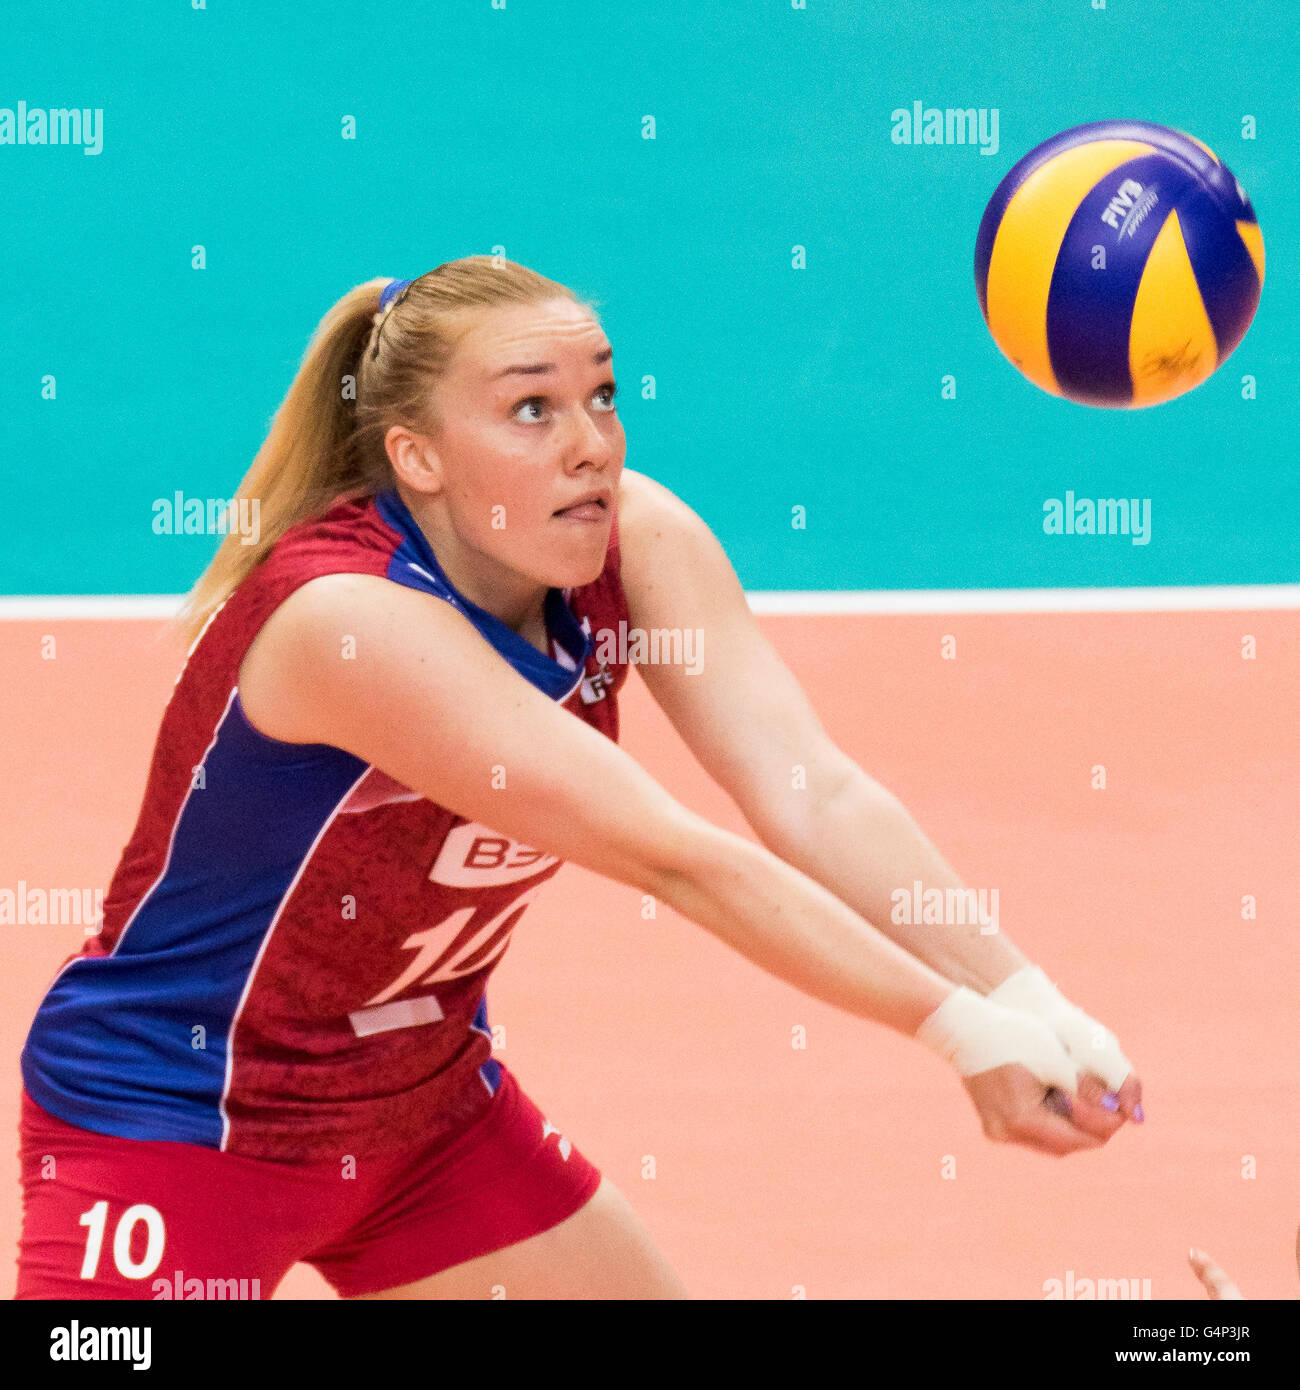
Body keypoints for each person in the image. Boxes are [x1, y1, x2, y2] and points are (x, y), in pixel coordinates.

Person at [16, 257, 1142, 1301]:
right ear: (419, 459)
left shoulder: (635, 540)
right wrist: (958, 1033)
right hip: (178, 1123)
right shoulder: (348, 621)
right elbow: (677, 857)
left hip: (425, 1121)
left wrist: (1023, 996)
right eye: (530, 409)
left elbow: (810, 790)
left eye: (600, 395)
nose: (590, 443)